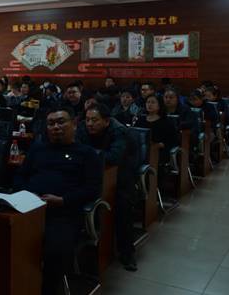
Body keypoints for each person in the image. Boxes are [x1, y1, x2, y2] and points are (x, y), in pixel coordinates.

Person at [13, 106, 102, 295]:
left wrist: (63, 200)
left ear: (74, 124)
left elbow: (93, 189)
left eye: (61, 122)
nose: (55, 127)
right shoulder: (37, 149)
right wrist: (26, 194)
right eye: (51, 123)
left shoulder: (87, 154)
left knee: (54, 250)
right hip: (29, 207)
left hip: (63, 213)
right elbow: (20, 176)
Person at [77, 104, 138, 271]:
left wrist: (88, 154)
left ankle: (127, 252)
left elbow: (114, 157)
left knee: (123, 206)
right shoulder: (82, 128)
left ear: (106, 121)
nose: (90, 124)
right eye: (87, 120)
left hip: (121, 175)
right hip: (90, 174)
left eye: (94, 120)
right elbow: (75, 149)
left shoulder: (120, 131)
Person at [135, 94, 178, 190]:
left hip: (159, 152)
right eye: (148, 102)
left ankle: (148, 189)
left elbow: (173, 141)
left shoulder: (166, 122)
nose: (149, 105)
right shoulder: (140, 120)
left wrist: (161, 145)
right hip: (141, 151)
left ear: (159, 105)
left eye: (153, 102)